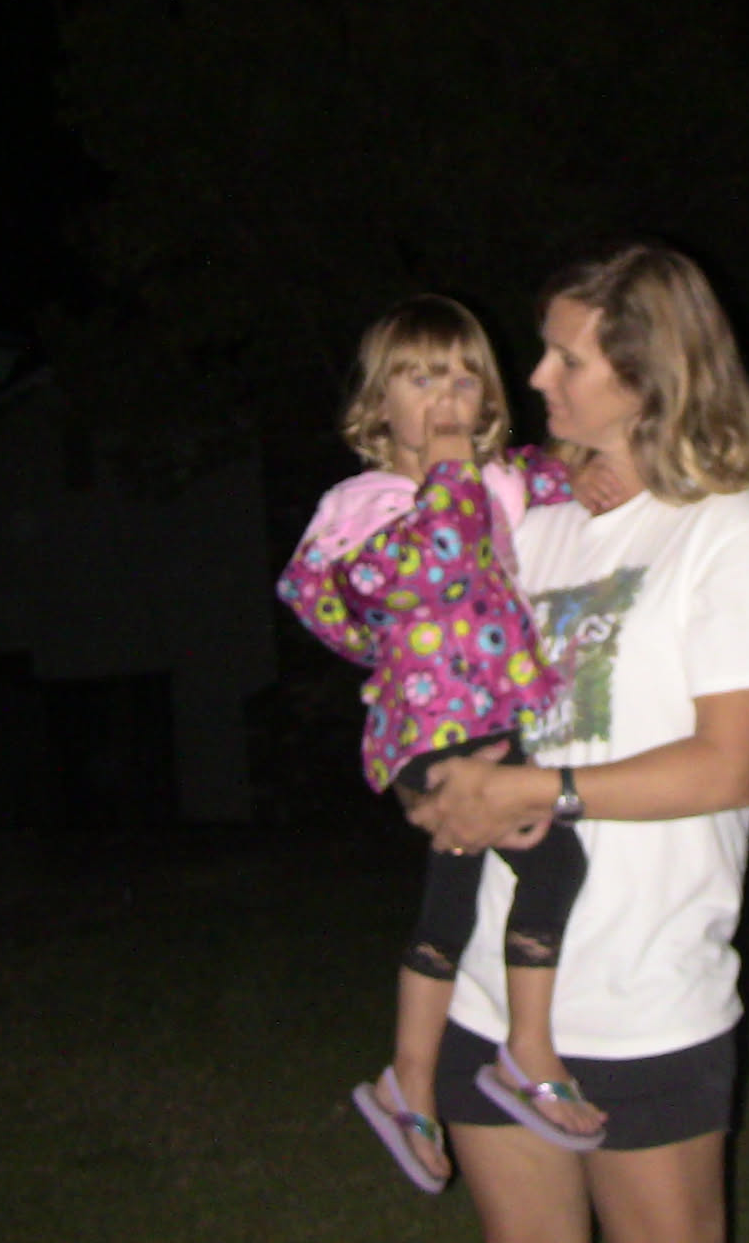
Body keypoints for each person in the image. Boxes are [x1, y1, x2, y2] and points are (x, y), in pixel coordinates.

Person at [407, 242, 749, 1243]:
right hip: (490, 1000)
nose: (535, 376)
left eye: (568, 359)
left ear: (649, 378)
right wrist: (445, 788)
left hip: (643, 1001)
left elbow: (727, 767)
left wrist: (532, 792)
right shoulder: (533, 526)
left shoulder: (731, 532)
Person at [275, 294, 614, 1195]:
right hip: (428, 727)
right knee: (554, 862)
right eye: (422, 379)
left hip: (495, 725)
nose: (448, 398)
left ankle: (409, 1080)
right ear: (378, 402)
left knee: (451, 904)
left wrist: (578, 472)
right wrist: (453, 469)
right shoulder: (363, 504)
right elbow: (433, 562)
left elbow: (556, 472)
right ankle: (527, 1050)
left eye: (465, 378)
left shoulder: (495, 479)